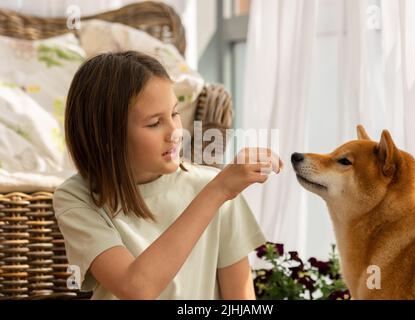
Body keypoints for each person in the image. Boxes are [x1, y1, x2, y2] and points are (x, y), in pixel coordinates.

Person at [53, 51, 283, 300]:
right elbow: (136, 288)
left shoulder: (213, 187)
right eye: (154, 123)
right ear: (107, 138)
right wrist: (218, 192)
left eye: (174, 114)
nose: (175, 132)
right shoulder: (76, 197)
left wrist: (219, 191)